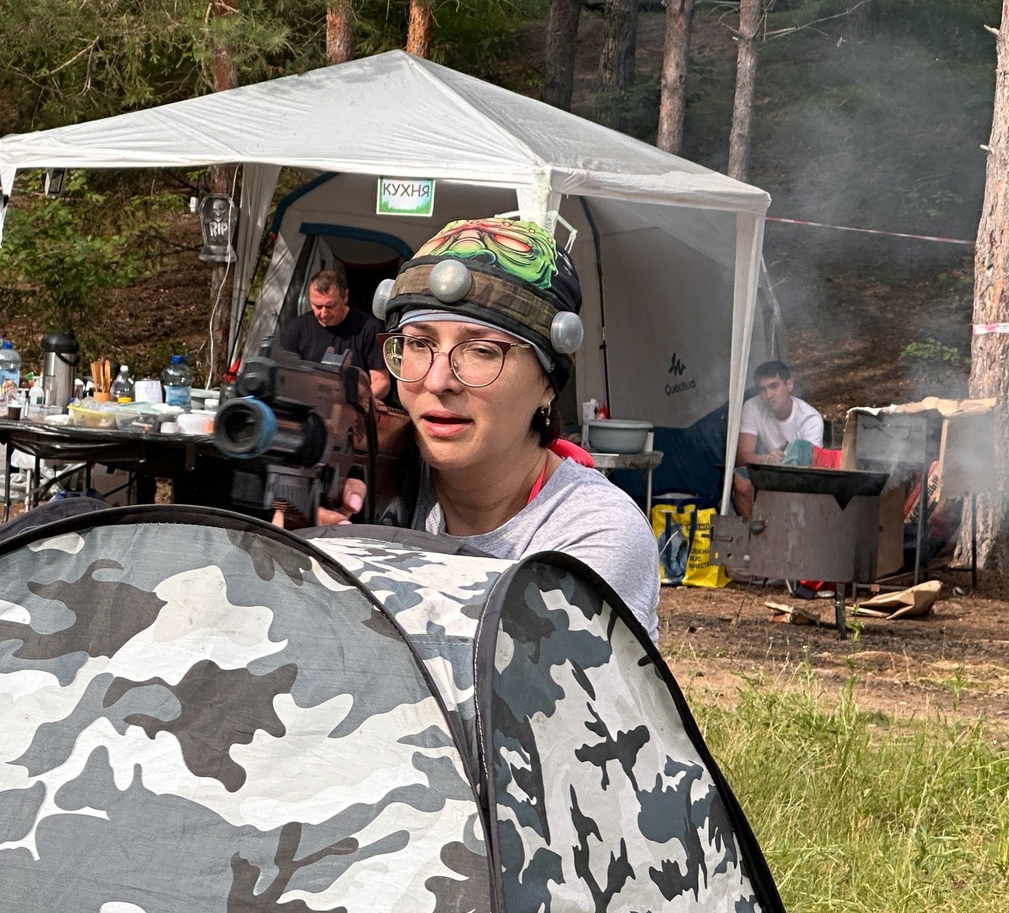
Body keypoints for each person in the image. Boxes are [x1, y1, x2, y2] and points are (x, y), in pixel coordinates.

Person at [328, 216, 660, 638]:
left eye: (481, 351)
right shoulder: (367, 479)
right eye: (418, 344)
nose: (438, 381)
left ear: (548, 383)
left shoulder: (592, 529)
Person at [730, 360, 824, 517]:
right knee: (741, 482)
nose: (768, 395)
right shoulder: (752, 407)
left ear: (789, 385)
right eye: (762, 389)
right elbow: (741, 458)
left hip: (799, 478)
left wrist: (785, 463)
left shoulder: (810, 418)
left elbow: (813, 466)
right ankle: (753, 529)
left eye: (774, 386)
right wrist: (767, 459)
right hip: (766, 473)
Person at [276, 269, 382, 371]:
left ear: (345, 297)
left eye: (330, 306)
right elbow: (285, 375)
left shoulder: (370, 328)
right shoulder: (297, 328)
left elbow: (380, 379)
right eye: (317, 306)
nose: (323, 313)